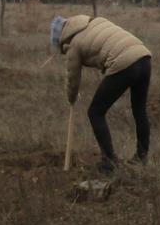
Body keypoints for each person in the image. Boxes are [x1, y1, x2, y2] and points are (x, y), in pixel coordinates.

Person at [54, 13, 153, 170]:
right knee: (139, 110)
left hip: (124, 62)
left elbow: (72, 78)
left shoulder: (74, 44)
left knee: (95, 112)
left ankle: (109, 161)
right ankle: (142, 157)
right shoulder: (96, 21)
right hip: (144, 57)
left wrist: (71, 98)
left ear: (61, 39)